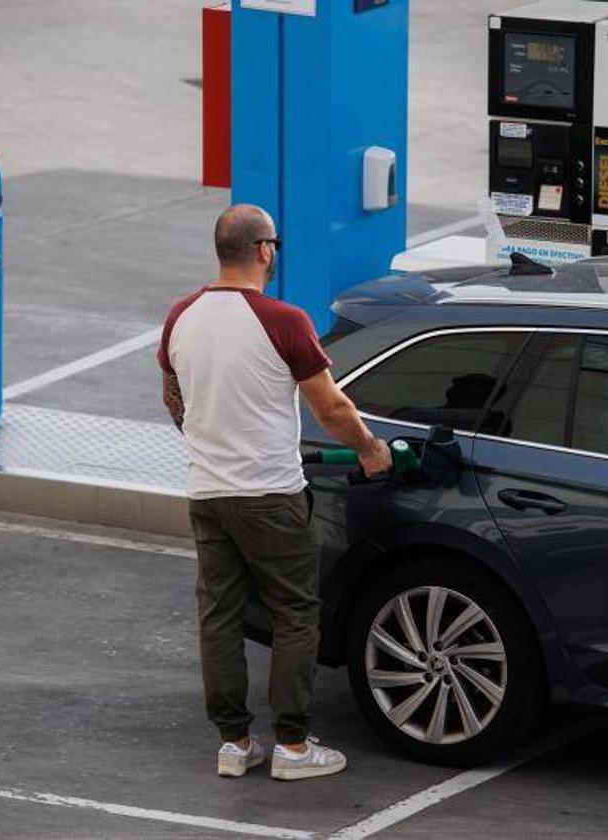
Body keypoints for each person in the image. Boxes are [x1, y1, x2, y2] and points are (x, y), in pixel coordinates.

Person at [156, 204, 392, 780]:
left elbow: (172, 396)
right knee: (295, 612)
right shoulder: (284, 321)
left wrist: (208, 440)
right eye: (275, 244)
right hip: (268, 492)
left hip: (206, 491)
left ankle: (234, 743)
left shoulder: (181, 316)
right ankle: (291, 745)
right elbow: (332, 406)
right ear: (264, 250)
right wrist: (369, 448)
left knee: (219, 615)